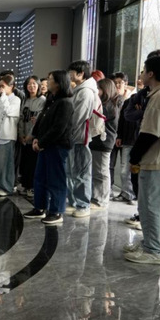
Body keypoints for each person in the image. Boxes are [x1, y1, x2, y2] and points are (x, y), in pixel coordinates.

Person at [123, 55, 160, 265]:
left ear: (151, 73)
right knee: (150, 205)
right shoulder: (159, 94)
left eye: (143, 70)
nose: (141, 74)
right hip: (155, 158)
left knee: (149, 206)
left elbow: (150, 133)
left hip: (154, 159)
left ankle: (153, 250)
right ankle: (150, 242)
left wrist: (135, 156)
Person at [23, 70, 75, 224]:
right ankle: (40, 207)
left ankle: (56, 211)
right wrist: (36, 137)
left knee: (56, 180)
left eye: (50, 79)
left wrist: (41, 142)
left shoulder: (65, 102)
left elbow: (58, 128)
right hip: (45, 144)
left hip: (57, 146)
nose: (47, 82)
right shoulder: (51, 99)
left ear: (59, 83)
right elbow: (41, 120)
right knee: (40, 178)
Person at [66, 60, 98, 218]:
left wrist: (67, 128)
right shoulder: (78, 89)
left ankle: (83, 204)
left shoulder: (86, 92)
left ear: (81, 74)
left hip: (79, 137)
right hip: (74, 136)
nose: (69, 75)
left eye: (72, 72)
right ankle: (74, 202)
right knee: (72, 172)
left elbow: (78, 117)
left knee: (81, 173)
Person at [90, 78, 122, 210]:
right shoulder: (107, 104)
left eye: (99, 88)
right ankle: (97, 197)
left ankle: (101, 200)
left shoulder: (108, 106)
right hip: (99, 142)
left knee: (101, 172)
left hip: (103, 143)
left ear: (106, 90)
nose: (97, 91)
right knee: (98, 172)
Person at [0, 74, 21, 197]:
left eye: (3, 86)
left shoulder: (15, 100)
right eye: (0, 86)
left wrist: (3, 97)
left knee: (5, 163)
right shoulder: (0, 100)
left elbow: (8, 111)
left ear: (11, 86)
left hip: (7, 135)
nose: (0, 88)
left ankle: (6, 187)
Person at [18, 76, 46, 197]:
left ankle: (32, 187)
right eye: (29, 84)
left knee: (33, 163)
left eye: (34, 83)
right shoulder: (25, 100)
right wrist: (21, 135)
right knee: (25, 162)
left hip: (34, 138)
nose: (31, 86)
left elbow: (38, 121)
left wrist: (30, 136)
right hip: (24, 137)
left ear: (38, 85)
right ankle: (25, 185)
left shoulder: (42, 100)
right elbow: (21, 118)